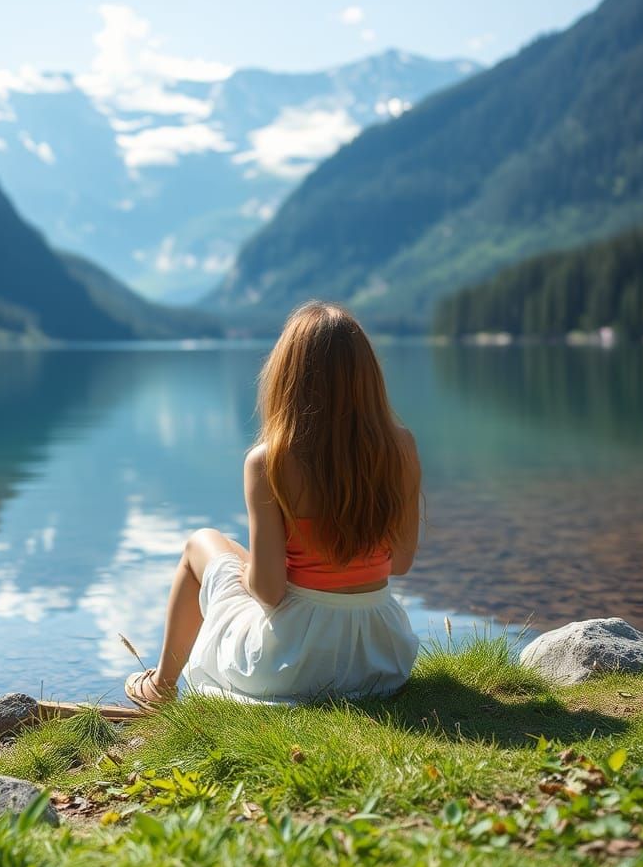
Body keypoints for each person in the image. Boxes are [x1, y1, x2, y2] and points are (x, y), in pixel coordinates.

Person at [125, 301, 421, 707]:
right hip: (381, 659)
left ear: (288, 377)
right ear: (367, 376)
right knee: (235, 556)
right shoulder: (401, 448)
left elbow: (268, 590)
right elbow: (400, 562)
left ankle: (161, 687)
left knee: (201, 544)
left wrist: (246, 573)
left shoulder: (270, 462)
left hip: (293, 663)